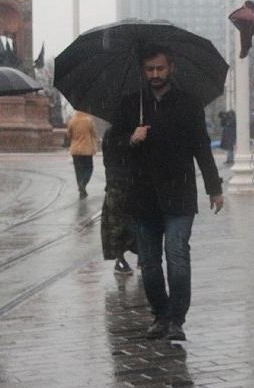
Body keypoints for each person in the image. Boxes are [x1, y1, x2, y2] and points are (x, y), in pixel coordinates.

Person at [113, 44, 224, 341]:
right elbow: (112, 145)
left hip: (180, 194)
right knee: (150, 264)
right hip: (143, 196)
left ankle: (177, 319)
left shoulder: (189, 104)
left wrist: (214, 188)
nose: (155, 74)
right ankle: (160, 315)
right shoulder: (131, 105)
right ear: (143, 71)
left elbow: (202, 147)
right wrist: (131, 138)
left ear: (171, 67)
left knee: (177, 257)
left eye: (160, 68)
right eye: (149, 69)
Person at [101, 126, 137, 275]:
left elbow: (106, 160)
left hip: (117, 184)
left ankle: (121, 258)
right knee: (122, 224)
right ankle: (122, 259)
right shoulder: (129, 132)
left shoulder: (109, 133)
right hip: (124, 184)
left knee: (118, 224)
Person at [67, 110, 98, 199]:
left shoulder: (72, 121)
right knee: (89, 168)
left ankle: (81, 188)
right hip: (87, 149)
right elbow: (94, 133)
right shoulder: (89, 121)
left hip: (75, 150)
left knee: (78, 170)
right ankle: (83, 183)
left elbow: (68, 135)